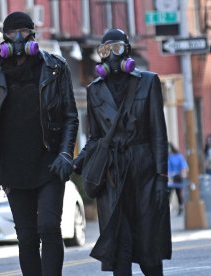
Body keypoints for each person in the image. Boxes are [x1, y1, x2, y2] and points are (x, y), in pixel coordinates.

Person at [0, 12, 78, 276]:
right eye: (12, 33)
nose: (18, 38)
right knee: (27, 238)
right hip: (14, 167)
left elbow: (70, 116)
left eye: (23, 32)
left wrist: (65, 153)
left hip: (49, 162)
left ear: (33, 34)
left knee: (50, 227)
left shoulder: (55, 67)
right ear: (3, 38)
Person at [73, 28, 171, 276]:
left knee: (149, 248)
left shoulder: (148, 82)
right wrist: (77, 162)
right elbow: (95, 138)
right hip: (113, 176)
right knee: (119, 249)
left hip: (144, 172)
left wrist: (161, 177)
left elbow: (159, 133)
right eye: (104, 50)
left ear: (127, 50)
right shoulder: (94, 89)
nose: (111, 55)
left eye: (116, 48)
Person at [168, 142, 189, 216]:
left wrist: (183, 173)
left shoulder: (178, 156)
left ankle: (181, 207)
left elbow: (183, 165)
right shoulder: (167, 157)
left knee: (178, 193)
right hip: (170, 177)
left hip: (177, 177)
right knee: (168, 193)